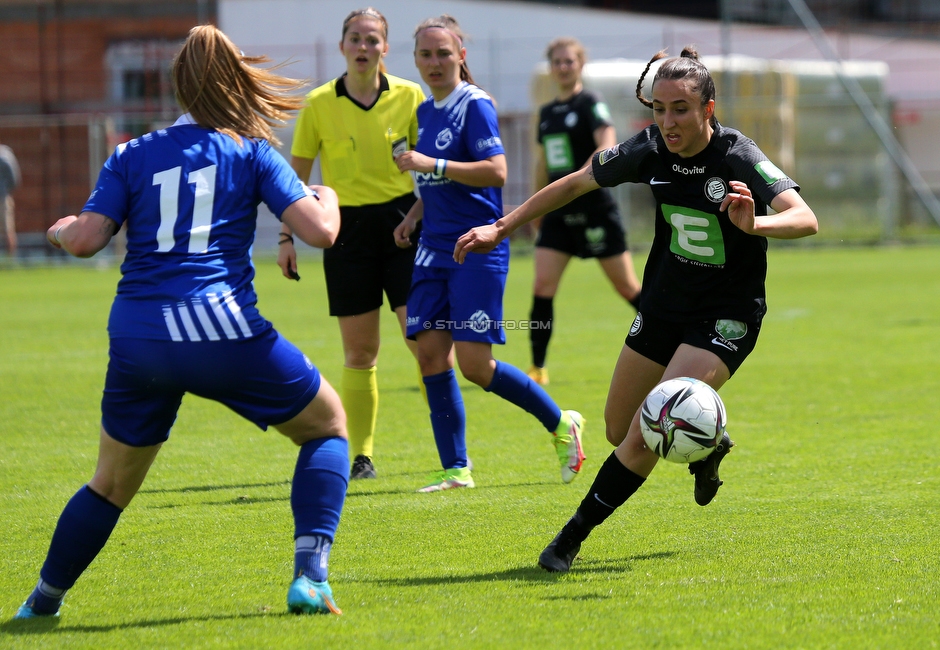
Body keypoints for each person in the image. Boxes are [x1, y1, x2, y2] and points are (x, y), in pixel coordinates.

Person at [14, 25, 349, 619]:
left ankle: (42, 603)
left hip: (140, 339)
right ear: (235, 81)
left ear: (178, 84)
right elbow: (320, 233)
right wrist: (330, 199)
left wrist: (61, 227)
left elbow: (87, 240)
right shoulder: (250, 151)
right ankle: (310, 578)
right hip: (220, 330)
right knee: (326, 428)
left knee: (109, 485)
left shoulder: (131, 153)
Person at [455, 46, 818, 570]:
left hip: (725, 316)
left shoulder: (737, 155)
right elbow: (577, 181)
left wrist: (755, 224)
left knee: (653, 425)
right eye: (659, 109)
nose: (667, 121)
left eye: (680, 109)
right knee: (617, 427)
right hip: (665, 307)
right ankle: (708, 442)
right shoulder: (648, 148)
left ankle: (569, 539)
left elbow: (805, 217)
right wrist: (501, 226)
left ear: (707, 110)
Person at [393, 15, 586, 492]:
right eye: (425, 54)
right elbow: (438, 180)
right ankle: (456, 468)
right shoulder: (423, 112)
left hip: (476, 248)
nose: (434, 62)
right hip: (432, 248)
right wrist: (414, 214)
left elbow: (496, 171)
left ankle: (561, 424)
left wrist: (430, 162)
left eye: (443, 53)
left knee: (475, 366)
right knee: (430, 357)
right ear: (415, 59)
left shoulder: (473, 105)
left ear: (461, 55)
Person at [277, 7, 427, 481]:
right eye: (356, 39)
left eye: (373, 40)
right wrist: (287, 235)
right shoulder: (319, 103)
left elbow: (432, 167)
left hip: (404, 226)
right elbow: (294, 178)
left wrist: (423, 216)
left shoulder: (410, 95)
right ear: (343, 46)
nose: (364, 48)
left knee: (422, 342)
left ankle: (451, 448)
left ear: (385, 47)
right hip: (344, 232)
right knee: (360, 354)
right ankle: (360, 455)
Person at [527, 37, 641, 386]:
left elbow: (607, 138)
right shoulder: (546, 114)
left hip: (594, 209)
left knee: (627, 288)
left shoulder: (590, 101)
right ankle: (538, 368)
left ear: (580, 65)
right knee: (543, 285)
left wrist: (597, 166)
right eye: (557, 62)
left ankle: (672, 337)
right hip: (559, 213)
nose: (563, 67)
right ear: (551, 68)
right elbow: (543, 163)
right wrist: (537, 207)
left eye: (569, 61)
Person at [0, 142, 19, 256]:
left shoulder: (4, 155)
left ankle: (10, 259)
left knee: (7, 229)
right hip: (4, 196)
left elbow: (14, 179)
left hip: (3, 198)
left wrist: (5, 192)